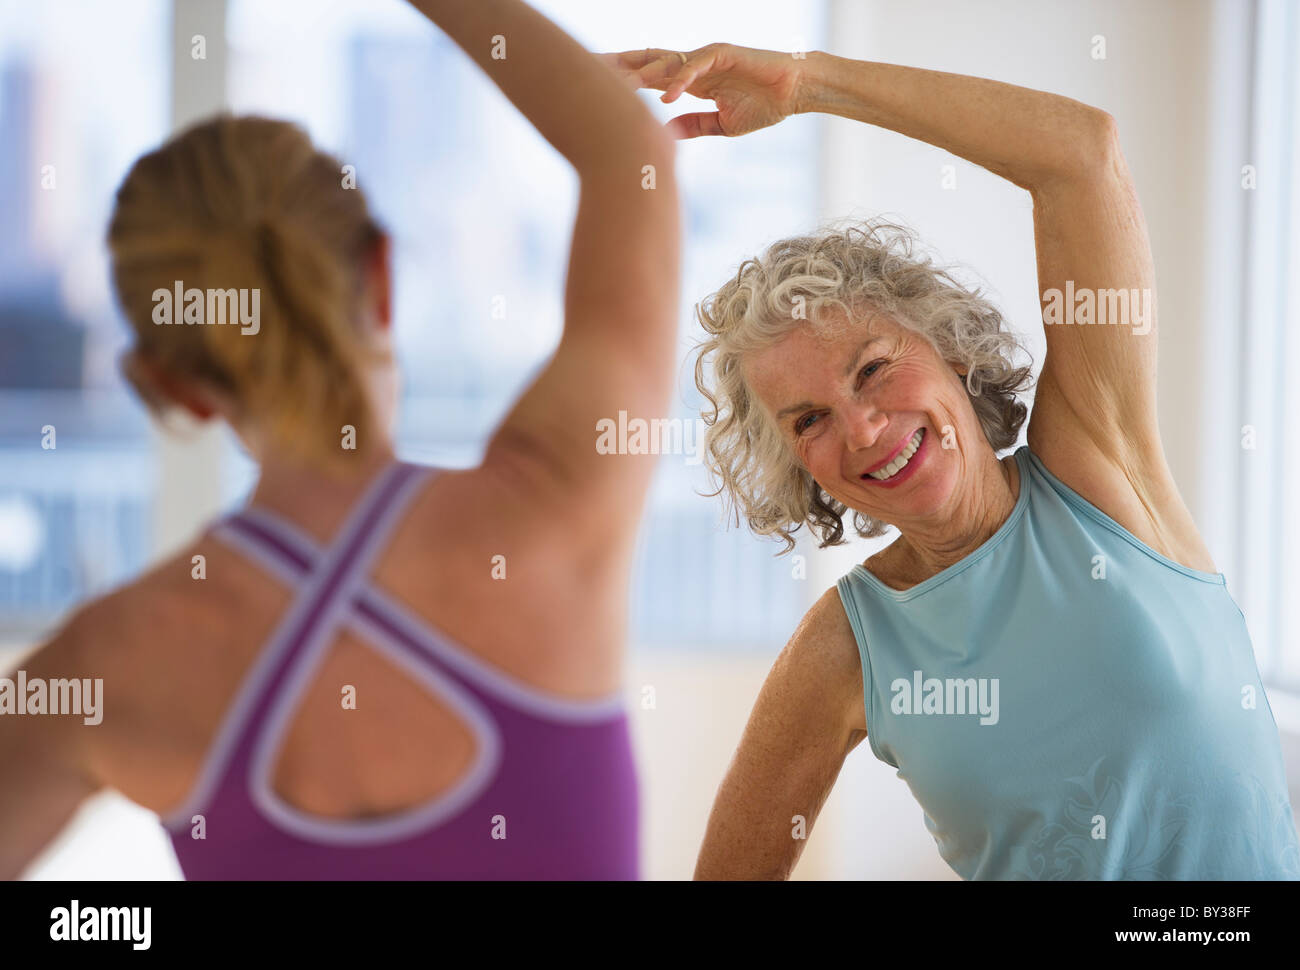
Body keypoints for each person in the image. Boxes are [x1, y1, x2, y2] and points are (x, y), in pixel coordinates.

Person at [0, 0, 679, 880]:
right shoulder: (555, 501)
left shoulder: (110, 664)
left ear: (174, 387)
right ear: (383, 277)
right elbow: (633, 151)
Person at [606, 44, 1300, 879]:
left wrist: (812, 85)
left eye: (873, 369)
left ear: (953, 353)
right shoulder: (849, 646)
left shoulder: (1098, 467)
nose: (862, 429)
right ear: (797, 465)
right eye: (811, 419)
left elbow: (1081, 156)